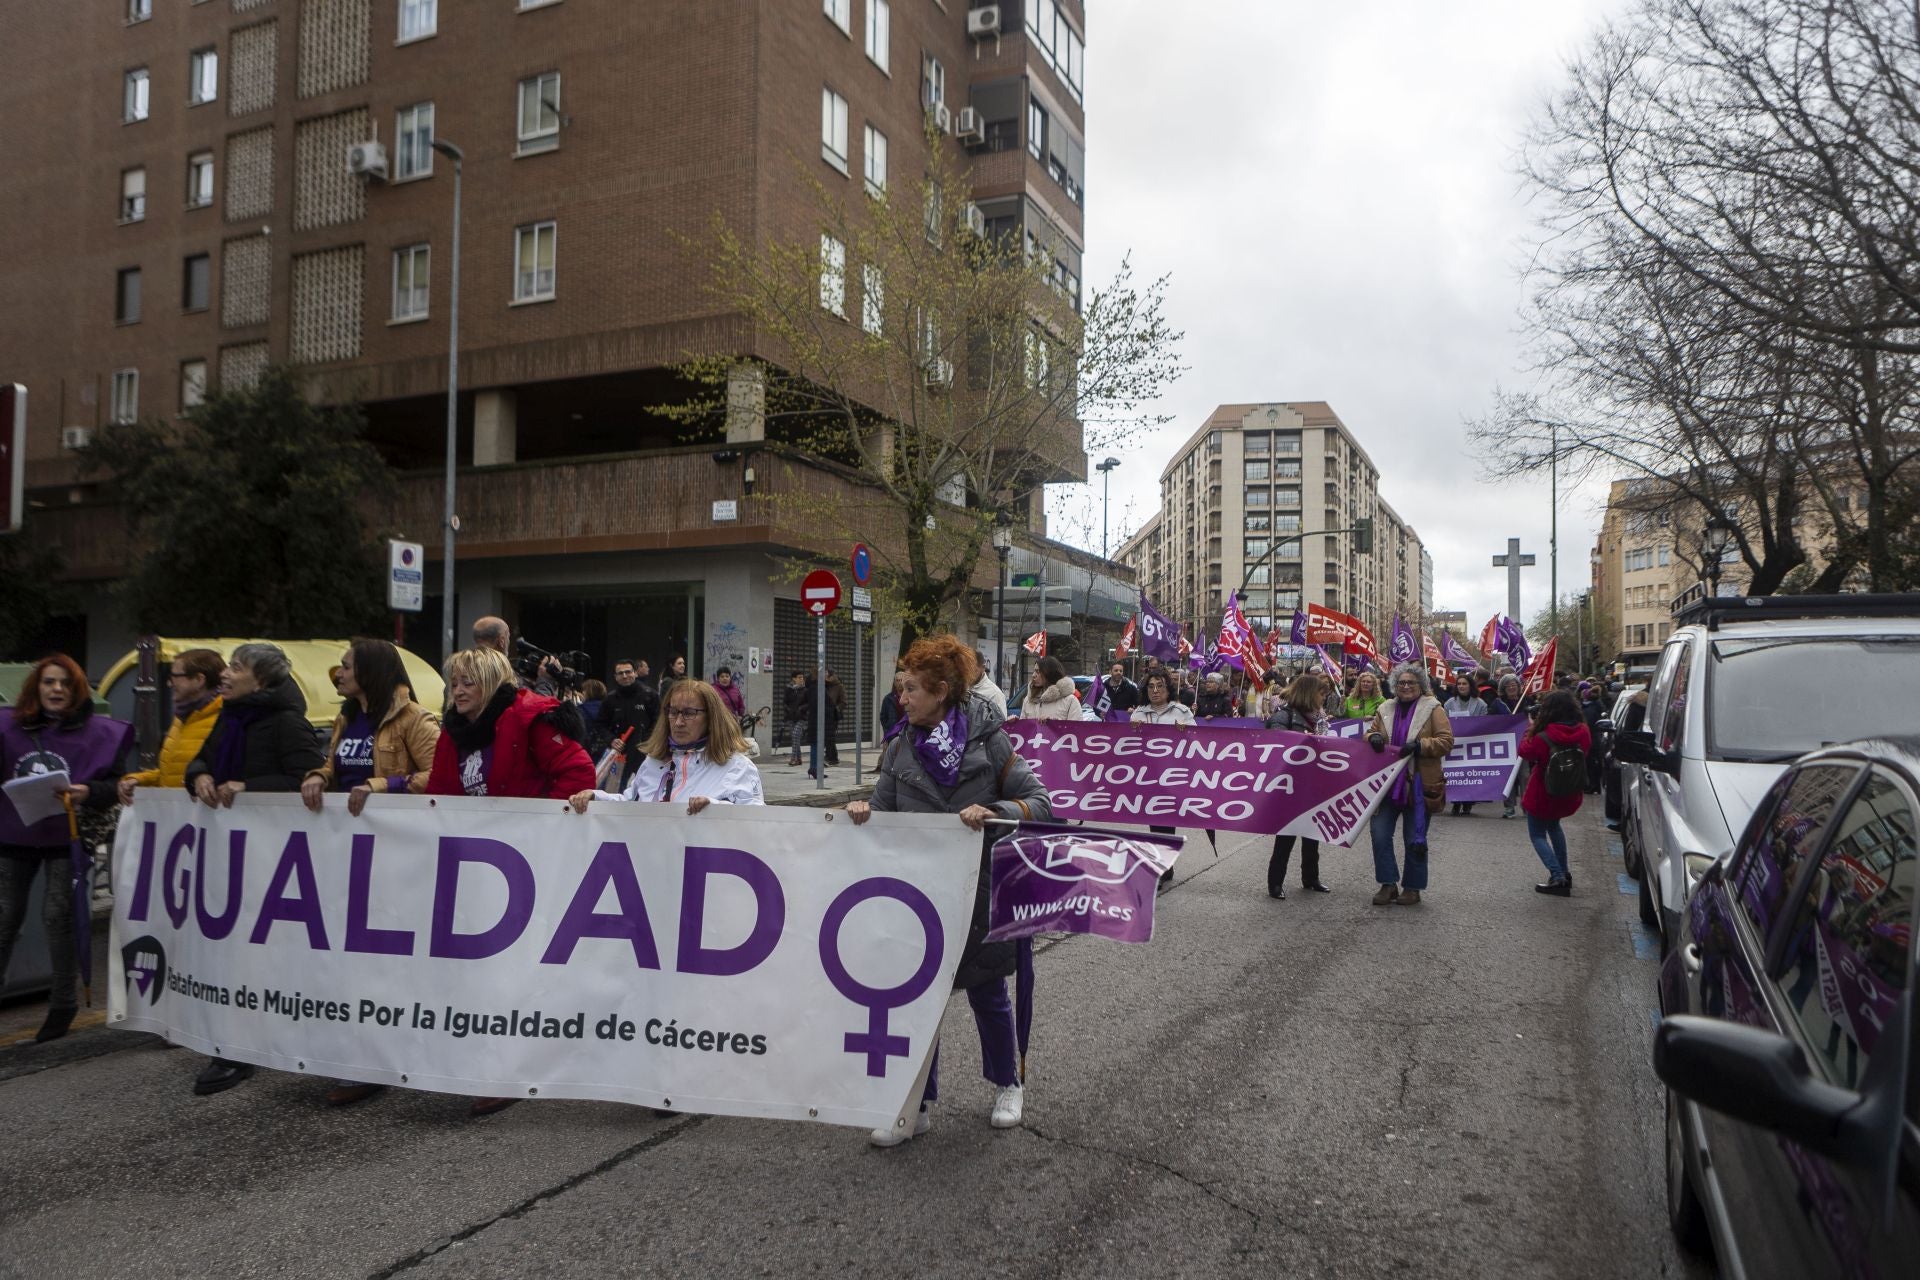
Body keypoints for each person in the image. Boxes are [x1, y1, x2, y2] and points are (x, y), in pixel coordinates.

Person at [846, 637, 1050, 1146]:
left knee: (987, 994)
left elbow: (1039, 802)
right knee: (920, 1004)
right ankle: (918, 1104)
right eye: (902, 688)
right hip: (916, 899)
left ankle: (1008, 1084)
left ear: (940, 692)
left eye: (911, 689)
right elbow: (882, 811)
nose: (903, 698)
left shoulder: (991, 741)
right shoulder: (898, 746)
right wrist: (862, 814)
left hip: (979, 892)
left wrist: (997, 813)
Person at [427, 646, 595, 1117]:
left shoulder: (529, 719)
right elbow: (441, 792)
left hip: (529, 863)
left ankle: (510, 1068)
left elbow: (576, 772)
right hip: (476, 866)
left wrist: (535, 832)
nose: (458, 690)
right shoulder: (455, 730)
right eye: (454, 682)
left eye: (469, 682)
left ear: (492, 683)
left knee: (513, 971)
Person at [299, 639, 442, 1107]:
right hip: (350, 856)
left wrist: (387, 784)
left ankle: (385, 1057)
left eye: (347, 666)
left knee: (388, 964)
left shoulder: (414, 721)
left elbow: (440, 776)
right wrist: (320, 774)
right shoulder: (347, 718)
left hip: (398, 857)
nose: (338, 673)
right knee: (351, 961)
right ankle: (361, 1057)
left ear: (373, 671)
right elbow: (338, 765)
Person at [182, 643, 324, 1092]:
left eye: (237, 668)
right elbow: (202, 758)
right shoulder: (230, 716)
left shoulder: (286, 722)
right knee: (231, 957)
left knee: (263, 960)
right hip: (230, 858)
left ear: (260, 680)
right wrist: (200, 775)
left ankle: (251, 1047)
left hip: (276, 864)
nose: (225, 674)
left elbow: (307, 780)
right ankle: (230, 1048)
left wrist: (251, 788)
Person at [0, 656, 134, 1044]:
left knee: (59, 916)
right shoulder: (10, 728)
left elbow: (115, 786)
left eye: (64, 684)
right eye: (48, 683)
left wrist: (88, 792)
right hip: (14, 835)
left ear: (76, 691)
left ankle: (63, 1001)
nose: (56, 690)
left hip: (69, 838)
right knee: (5, 918)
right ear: (36, 688)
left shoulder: (100, 734)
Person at [569, 679, 762, 813]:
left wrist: (715, 810)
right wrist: (596, 798)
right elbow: (631, 806)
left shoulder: (739, 767)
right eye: (673, 712)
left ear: (712, 718)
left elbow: (758, 824)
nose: (678, 722)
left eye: (689, 713)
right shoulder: (652, 763)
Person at [1365, 664, 1453, 907]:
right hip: (1387, 783)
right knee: (1379, 834)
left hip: (1419, 783)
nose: (1405, 686)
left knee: (1414, 838)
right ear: (1395, 685)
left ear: (1420, 686)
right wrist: (1373, 738)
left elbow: (1446, 741)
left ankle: (1412, 888)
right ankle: (1388, 884)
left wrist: (1420, 745)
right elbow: (1372, 732)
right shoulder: (1385, 708)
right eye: (1401, 683)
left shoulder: (1433, 708)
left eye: (1410, 683)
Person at [118, 648, 226, 806]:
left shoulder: (223, 719)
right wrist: (139, 780)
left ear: (199, 679)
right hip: (178, 817)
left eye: (175, 676)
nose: (169, 683)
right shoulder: (182, 717)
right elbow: (172, 773)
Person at [1262, 673, 1331, 899]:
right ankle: (1275, 883)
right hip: (1289, 786)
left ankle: (1311, 878)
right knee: (1286, 837)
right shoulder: (1283, 715)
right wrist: (1301, 741)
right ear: (1309, 694)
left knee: (1312, 834)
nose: (1324, 698)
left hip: (1313, 783)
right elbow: (1274, 746)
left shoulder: (1320, 718)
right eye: (1321, 694)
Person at [1518, 690, 1592, 896]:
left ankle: (1557, 875)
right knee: (1554, 827)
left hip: (1543, 791)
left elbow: (1524, 751)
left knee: (1537, 834)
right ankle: (1565, 872)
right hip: (1568, 790)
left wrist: (1531, 728)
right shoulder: (1583, 731)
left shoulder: (1543, 735)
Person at [597, 659, 660, 786]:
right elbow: (600, 724)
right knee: (614, 792)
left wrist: (648, 742)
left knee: (646, 791)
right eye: (620, 673)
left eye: (628, 672)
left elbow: (659, 722)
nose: (625, 676)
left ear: (635, 673)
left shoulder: (650, 695)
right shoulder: (610, 700)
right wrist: (611, 740)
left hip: (645, 754)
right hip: (619, 755)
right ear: (615, 677)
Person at [1442, 673, 1488, 816]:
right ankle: (1456, 802)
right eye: (1459, 684)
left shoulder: (1481, 704)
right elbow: (1444, 722)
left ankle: (1468, 803)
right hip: (1455, 744)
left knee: (1470, 773)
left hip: (1473, 744)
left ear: (1470, 686)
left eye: (1464, 684)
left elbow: (1484, 723)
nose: (1461, 686)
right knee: (1456, 773)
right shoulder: (1449, 703)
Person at [783, 670, 810, 767]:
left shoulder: (805, 690)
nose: (801, 679)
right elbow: (785, 702)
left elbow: (808, 703)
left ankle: (793, 758)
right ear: (794, 679)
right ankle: (799, 759)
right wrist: (788, 710)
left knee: (795, 735)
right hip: (791, 717)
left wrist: (801, 709)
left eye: (802, 677)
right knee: (795, 738)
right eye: (799, 677)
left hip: (801, 717)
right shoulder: (789, 689)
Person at [824, 670, 846, 766]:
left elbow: (844, 702)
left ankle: (833, 758)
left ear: (832, 676)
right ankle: (828, 756)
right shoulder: (823, 685)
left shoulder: (839, 686)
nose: (825, 677)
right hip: (823, 715)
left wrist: (835, 709)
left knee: (830, 737)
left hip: (833, 716)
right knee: (825, 737)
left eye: (827, 675)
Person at [879, 671, 906, 737]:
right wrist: (887, 733)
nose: (899, 683)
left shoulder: (910, 697)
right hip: (892, 734)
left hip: (906, 734)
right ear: (894, 683)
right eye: (897, 680)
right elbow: (883, 718)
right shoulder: (888, 699)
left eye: (901, 680)